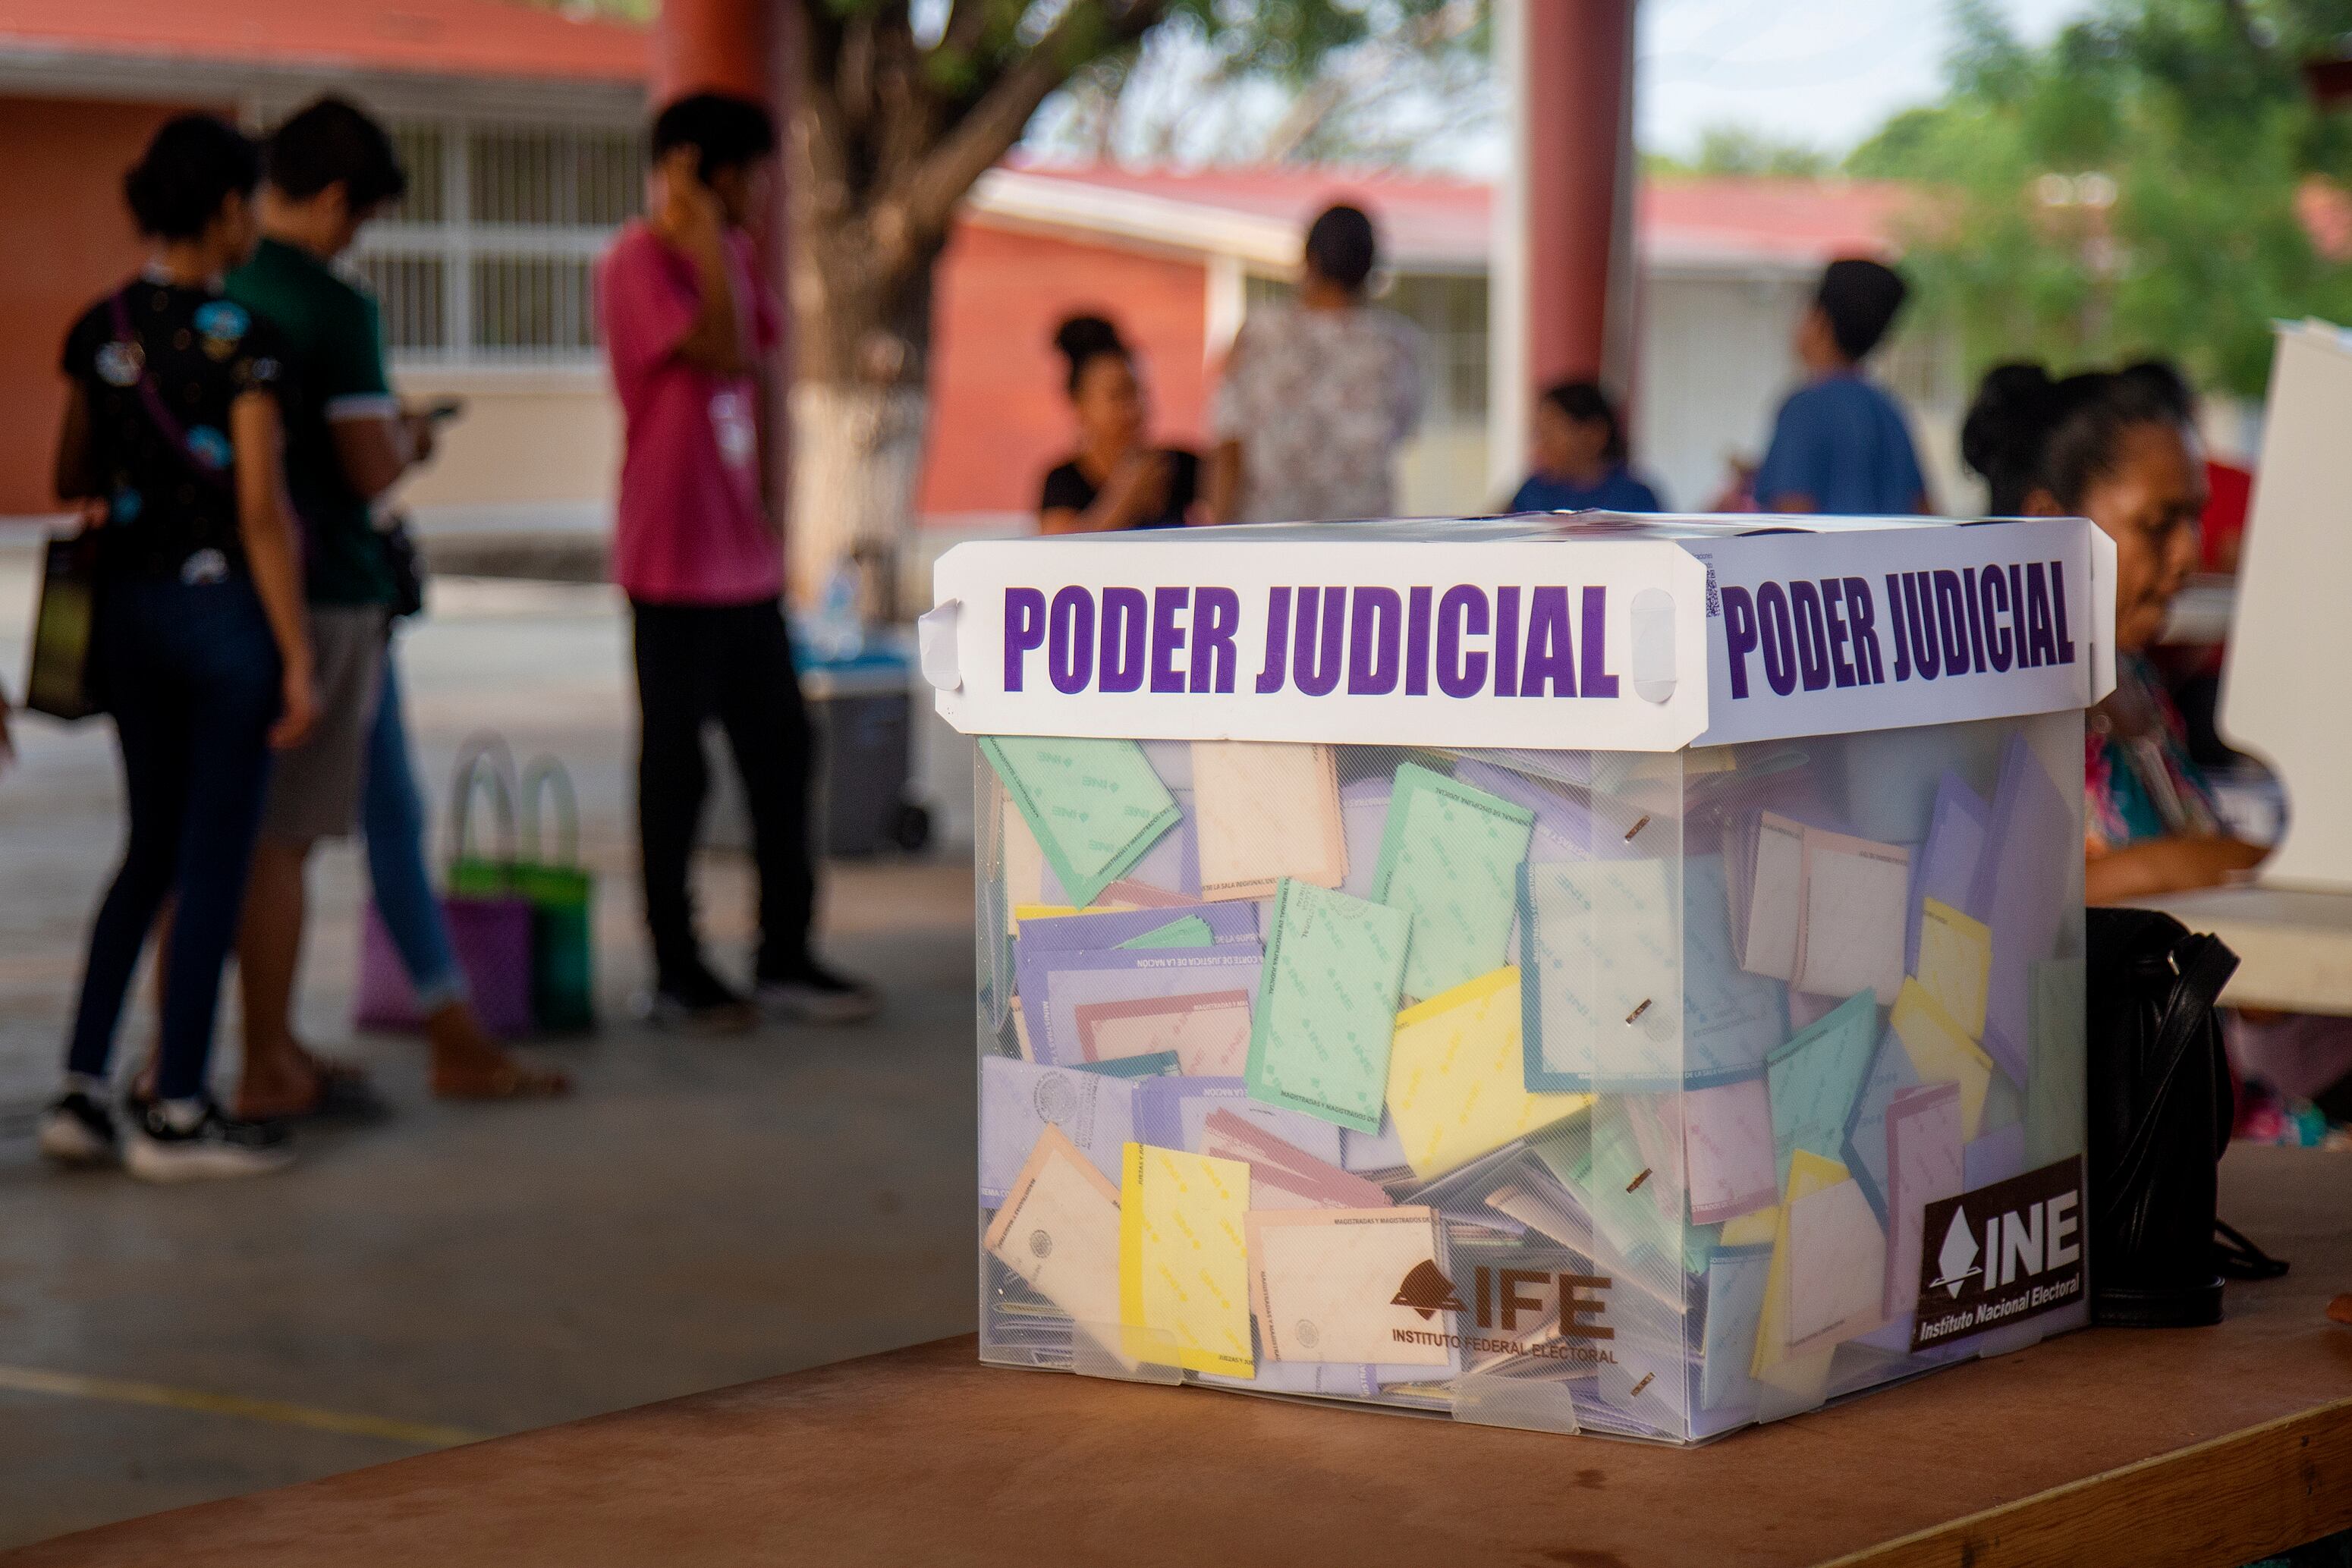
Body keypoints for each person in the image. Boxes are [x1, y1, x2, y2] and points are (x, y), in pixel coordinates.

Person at [213, 98, 566, 1118]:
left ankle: (252, 1048)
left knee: (240, 832)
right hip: (326, 600)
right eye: (359, 216)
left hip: (228, 597)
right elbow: (366, 466)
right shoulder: (331, 305)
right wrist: (413, 440)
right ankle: (303, 1053)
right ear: (333, 200)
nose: (355, 236)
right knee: (317, 831)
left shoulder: (216, 293)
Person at [1960, 359, 2352, 1130]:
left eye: (2194, 520)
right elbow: (2033, 900)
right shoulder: (2002, 707)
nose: (2187, 556)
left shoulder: (2129, 680)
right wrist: (2224, 864)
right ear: (2048, 523)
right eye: (2156, 524)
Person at [36, 115, 313, 1179]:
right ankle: (181, 1107)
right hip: (221, 625)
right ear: (229, 208)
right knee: (210, 864)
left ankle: (81, 1087)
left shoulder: (97, 326)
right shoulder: (246, 341)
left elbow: (71, 472)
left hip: (126, 620)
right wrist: (293, 654)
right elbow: (259, 507)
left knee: (145, 848)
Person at [597, 91, 877, 1032]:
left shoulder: (739, 259)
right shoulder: (638, 261)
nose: (764, 191)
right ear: (696, 168)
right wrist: (699, 228)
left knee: (782, 755)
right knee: (676, 772)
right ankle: (677, 969)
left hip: (742, 566)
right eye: (748, 173)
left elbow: (752, 364)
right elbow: (714, 343)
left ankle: (784, 956)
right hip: (669, 562)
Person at [1206, 203, 1423, 524]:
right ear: (1370, 268)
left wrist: (1216, 540)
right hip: (1367, 546)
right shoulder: (1397, 344)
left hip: (1271, 542)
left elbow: (1229, 448)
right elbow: (1402, 430)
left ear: (1308, 259)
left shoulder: (1260, 336)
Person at [1753, 257, 1930, 516]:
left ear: (1821, 323)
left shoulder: (1804, 409)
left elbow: (1791, 520)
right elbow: (1925, 511)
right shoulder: (1889, 412)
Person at [1038, 315, 1199, 534]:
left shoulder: (1181, 465)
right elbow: (1057, 556)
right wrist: (1126, 498)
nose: (1133, 409)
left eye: (1139, 393)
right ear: (1080, 405)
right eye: (1117, 396)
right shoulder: (1063, 482)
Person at [1507, 381, 1664, 514]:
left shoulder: (1634, 498)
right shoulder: (1532, 492)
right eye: (1540, 434)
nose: (1542, 445)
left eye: (1552, 432)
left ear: (1594, 433)